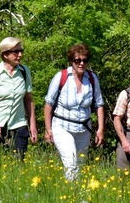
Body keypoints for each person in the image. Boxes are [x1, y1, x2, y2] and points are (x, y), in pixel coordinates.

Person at [44, 43, 104, 181]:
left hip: (84, 128)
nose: (81, 63)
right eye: (77, 60)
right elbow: (48, 104)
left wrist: (100, 129)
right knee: (71, 162)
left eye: (85, 60)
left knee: (80, 164)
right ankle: (72, 193)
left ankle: (77, 195)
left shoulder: (92, 79)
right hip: (62, 126)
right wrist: (48, 129)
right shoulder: (61, 77)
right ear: (71, 61)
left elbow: (99, 104)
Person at [0, 37, 37, 160]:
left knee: (19, 162)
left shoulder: (24, 71)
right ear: (5, 54)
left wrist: (32, 125)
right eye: (16, 52)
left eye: (21, 51)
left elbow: (29, 100)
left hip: (19, 123)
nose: (20, 55)